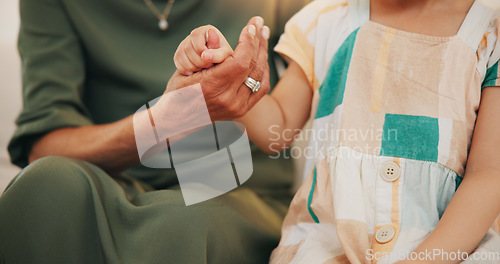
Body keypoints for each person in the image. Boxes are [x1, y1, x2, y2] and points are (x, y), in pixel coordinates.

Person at [175, 0, 500, 263]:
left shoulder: (490, 32)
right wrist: (225, 78)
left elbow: (488, 175)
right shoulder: (325, 19)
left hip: (450, 244)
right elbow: (278, 130)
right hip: (329, 241)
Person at [0, 1, 312, 263]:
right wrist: (164, 120)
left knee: (179, 225)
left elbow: (330, 45)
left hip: (239, 190)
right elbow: (44, 146)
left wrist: (244, 90)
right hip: (113, 184)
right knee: (43, 187)